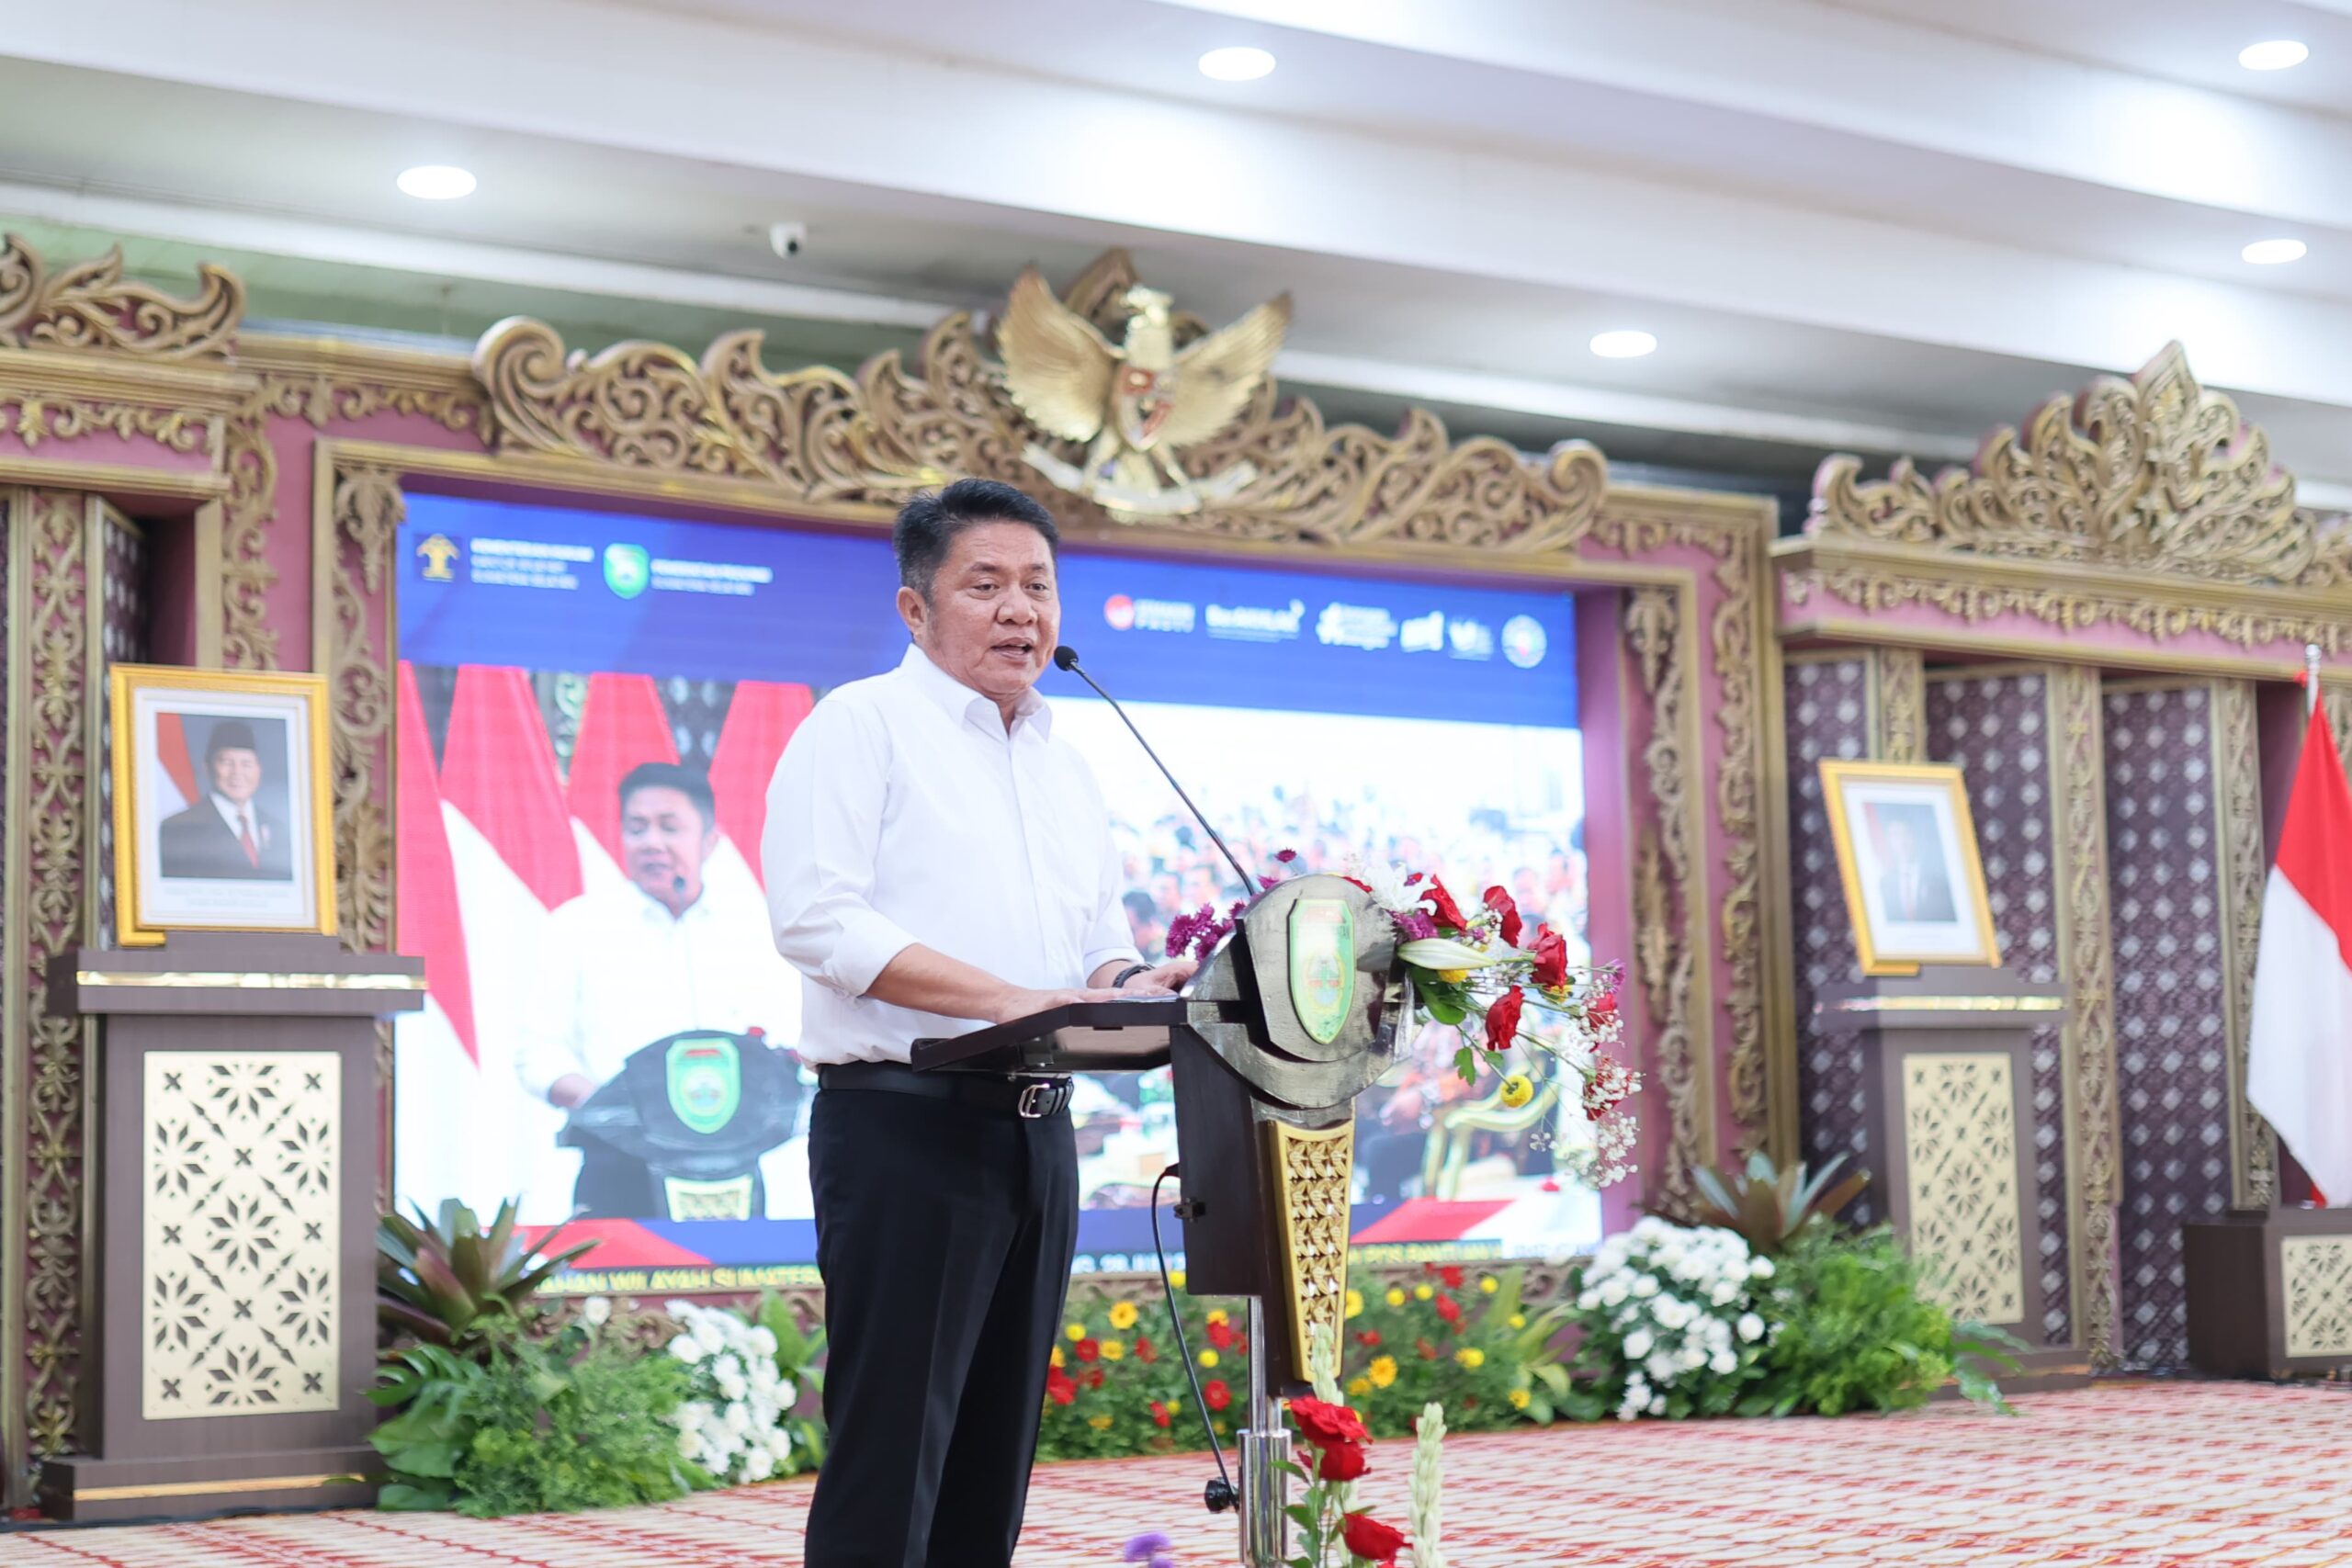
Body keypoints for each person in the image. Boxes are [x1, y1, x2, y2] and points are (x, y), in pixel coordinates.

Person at [763, 478, 1193, 1568]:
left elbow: (1091, 943)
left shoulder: (1064, 762)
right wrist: (1008, 998)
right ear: (915, 609)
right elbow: (816, 920)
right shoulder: (859, 726)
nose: (1019, 611)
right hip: (906, 1127)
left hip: (1039, 1134)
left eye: (1038, 587)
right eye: (986, 585)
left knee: (992, 1460)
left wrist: (1134, 983)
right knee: (893, 1455)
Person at [518, 761, 803, 1207]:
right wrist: (616, 1109)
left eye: (669, 827)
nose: (651, 842)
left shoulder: (755, 930)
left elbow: (793, 1040)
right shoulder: (577, 927)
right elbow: (539, 1053)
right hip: (617, 1168)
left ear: (710, 840)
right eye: (637, 828)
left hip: (733, 1169)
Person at [157, 719, 293, 880]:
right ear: (207, 768)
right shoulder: (179, 828)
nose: (237, 773)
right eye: (227, 762)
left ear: (259, 770)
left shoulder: (278, 828)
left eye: (246, 764)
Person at [1877, 809, 1956, 923]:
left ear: (1916, 837)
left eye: (1906, 834)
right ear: (1889, 841)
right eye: (1896, 835)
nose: (1902, 842)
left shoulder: (1938, 882)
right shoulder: (1884, 883)